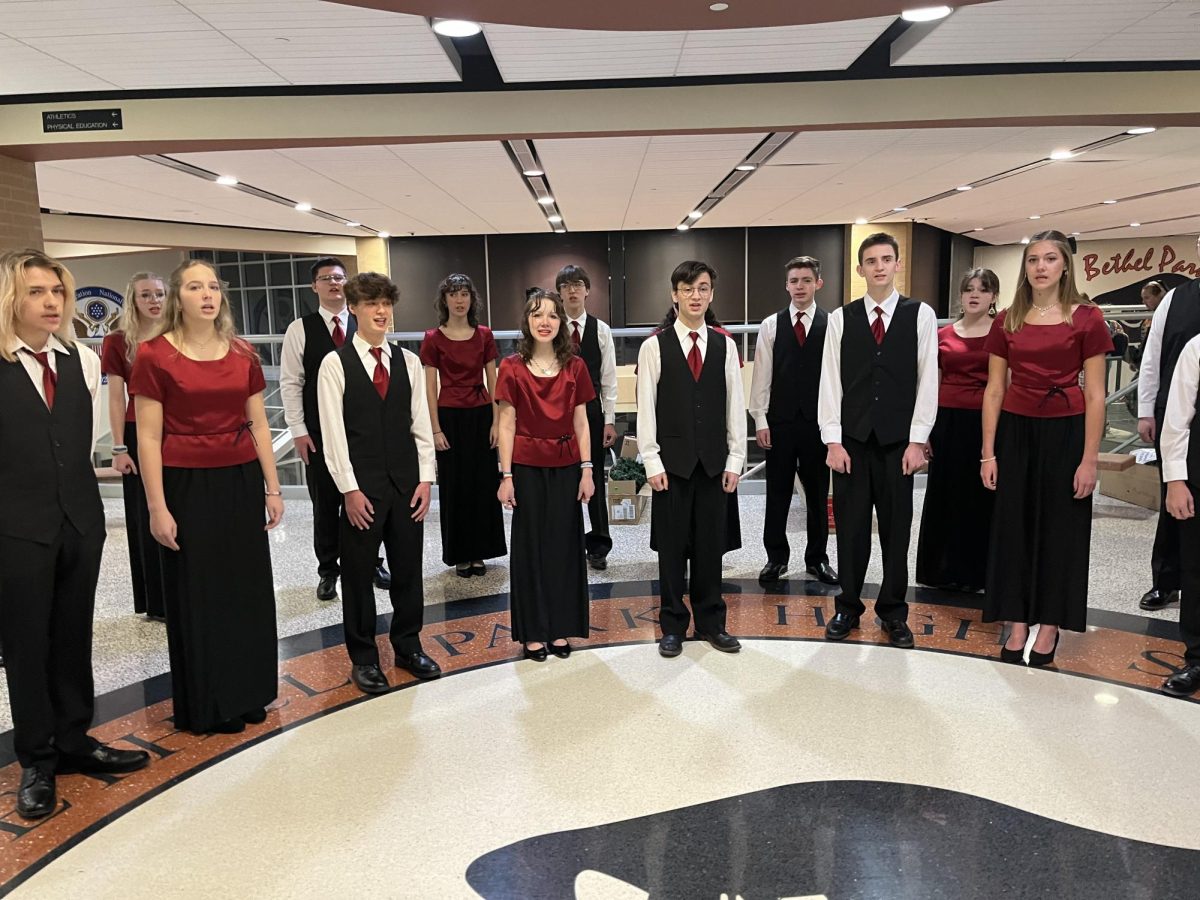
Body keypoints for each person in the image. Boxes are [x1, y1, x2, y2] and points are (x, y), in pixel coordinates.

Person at [0, 249, 150, 820]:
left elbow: (76, 438)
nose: (51, 302)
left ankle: (74, 739)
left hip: (79, 521)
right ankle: (36, 758)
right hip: (16, 528)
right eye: (37, 292)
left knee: (71, 636)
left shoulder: (80, 359)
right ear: (12, 297)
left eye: (57, 293)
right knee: (26, 644)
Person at [132, 259, 283, 734]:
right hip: (186, 485)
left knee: (245, 589)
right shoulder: (154, 355)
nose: (206, 294)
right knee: (200, 593)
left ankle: (249, 690)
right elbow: (148, 438)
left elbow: (258, 422)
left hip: (239, 479)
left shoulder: (241, 353)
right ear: (178, 298)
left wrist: (273, 488)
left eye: (213, 286)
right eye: (195, 287)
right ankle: (208, 701)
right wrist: (157, 506)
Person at [981, 230, 1112, 666]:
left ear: (1064, 266)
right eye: (1033, 259)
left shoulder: (1087, 318)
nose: (1040, 267)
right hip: (1016, 431)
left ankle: (1050, 625)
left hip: (1067, 432)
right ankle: (1017, 621)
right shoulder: (1008, 320)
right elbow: (995, 390)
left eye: (1050, 259)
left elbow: (1096, 395)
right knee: (1012, 527)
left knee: (1061, 530)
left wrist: (1089, 459)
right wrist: (988, 451)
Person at [317, 273, 441, 694]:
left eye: (386, 303)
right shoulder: (335, 365)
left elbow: (420, 426)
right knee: (357, 578)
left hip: (408, 485)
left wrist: (426, 479)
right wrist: (348, 490)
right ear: (353, 307)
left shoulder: (408, 362)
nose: (381, 311)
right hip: (361, 490)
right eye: (372, 304)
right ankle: (364, 658)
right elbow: (333, 437)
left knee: (408, 573)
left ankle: (408, 647)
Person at [817, 232, 939, 649]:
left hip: (897, 445)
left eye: (887, 259)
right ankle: (847, 607)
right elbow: (829, 383)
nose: (880, 266)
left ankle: (893, 612)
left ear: (898, 264)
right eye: (872, 261)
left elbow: (928, 381)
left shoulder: (920, 315)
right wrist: (832, 440)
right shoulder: (841, 318)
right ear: (860, 269)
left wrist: (917, 440)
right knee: (850, 530)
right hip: (851, 442)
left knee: (895, 531)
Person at [637, 261, 746, 658]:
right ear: (674, 295)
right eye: (687, 289)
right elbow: (646, 409)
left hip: (715, 466)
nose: (695, 296)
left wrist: (736, 459)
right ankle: (672, 624)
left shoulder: (725, 344)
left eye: (702, 288)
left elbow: (736, 405)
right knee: (671, 549)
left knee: (708, 547)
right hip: (672, 466)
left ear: (711, 294)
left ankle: (712, 622)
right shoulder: (655, 346)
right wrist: (651, 462)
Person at [280, 256, 390, 602]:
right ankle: (328, 571)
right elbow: (290, 382)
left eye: (339, 278)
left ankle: (372, 562)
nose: (333, 283)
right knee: (326, 505)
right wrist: (298, 429)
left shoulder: (367, 323)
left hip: (364, 434)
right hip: (317, 434)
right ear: (314, 287)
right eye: (326, 279)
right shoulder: (300, 329)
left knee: (368, 500)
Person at [495, 289, 596, 661]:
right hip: (526, 467)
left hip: (568, 465)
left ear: (561, 323)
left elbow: (582, 423)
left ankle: (561, 627)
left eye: (552, 315)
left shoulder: (575, 367)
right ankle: (533, 631)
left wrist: (587, 471)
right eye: (537, 314)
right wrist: (506, 476)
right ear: (527, 321)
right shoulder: (511, 367)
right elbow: (506, 424)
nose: (545, 321)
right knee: (530, 549)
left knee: (565, 548)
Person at [749, 255, 837, 586]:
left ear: (818, 283)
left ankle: (817, 559)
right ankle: (775, 558)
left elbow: (835, 379)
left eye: (805, 280)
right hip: (780, 422)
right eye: (794, 281)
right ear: (786, 285)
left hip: (817, 424)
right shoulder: (771, 325)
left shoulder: (832, 325)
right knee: (778, 493)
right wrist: (760, 418)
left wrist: (834, 427)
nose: (799, 286)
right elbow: (762, 375)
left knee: (817, 495)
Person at [915, 268, 999, 592]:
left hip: (983, 422)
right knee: (944, 495)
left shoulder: (1001, 333)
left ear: (993, 297)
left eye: (982, 289)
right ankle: (941, 571)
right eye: (969, 289)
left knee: (978, 498)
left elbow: (1003, 385)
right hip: (946, 422)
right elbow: (932, 384)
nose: (974, 294)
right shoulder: (944, 334)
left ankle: (975, 572)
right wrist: (925, 431)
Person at [420, 274, 507, 576]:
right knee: (455, 488)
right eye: (453, 294)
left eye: (464, 294)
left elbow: (495, 380)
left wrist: (497, 421)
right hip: (449, 416)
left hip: (481, 413)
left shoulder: (484, 334)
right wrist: (435, 429)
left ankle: (482, 551)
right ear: (444, 300)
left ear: (472, 299)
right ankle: (460, 553)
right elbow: (429, 387)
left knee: (483, 485)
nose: (459, 300)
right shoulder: (433, 338)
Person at [1136, 239, 1200, 612]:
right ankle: (1166, 580)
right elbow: (1152, 355)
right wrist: (1146, 410)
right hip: (1173, 417)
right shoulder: (1175, 299)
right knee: (1174, 497)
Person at [101, 271, 168, 620]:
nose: (154, 300)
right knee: (145, 515)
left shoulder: (177, 334)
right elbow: (115, 397)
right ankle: (156, 601)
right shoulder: (118, 341)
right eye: (146, 295)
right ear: (134, 299)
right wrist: (117, 447)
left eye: (159, 293)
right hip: (135, 432)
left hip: (175, 431)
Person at [557, 265, 618, 570]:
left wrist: (609, 419)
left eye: (578, 284)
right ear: (559, 293)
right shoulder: (552, 327)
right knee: (564, 478)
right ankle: (566, 543)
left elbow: (609, 379)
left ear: (587, 290)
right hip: (557, 414)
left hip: (592, 412)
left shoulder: (601, 329)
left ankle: (598, 546)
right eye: (566, 286)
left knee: (592, 476)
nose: (572, 290)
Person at [1158, 332, 1200, 696]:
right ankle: (1198, 658)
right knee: (1197, 571)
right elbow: (1177, 419)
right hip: (1198, 478)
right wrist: (1175, 480)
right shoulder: (1197, 347)